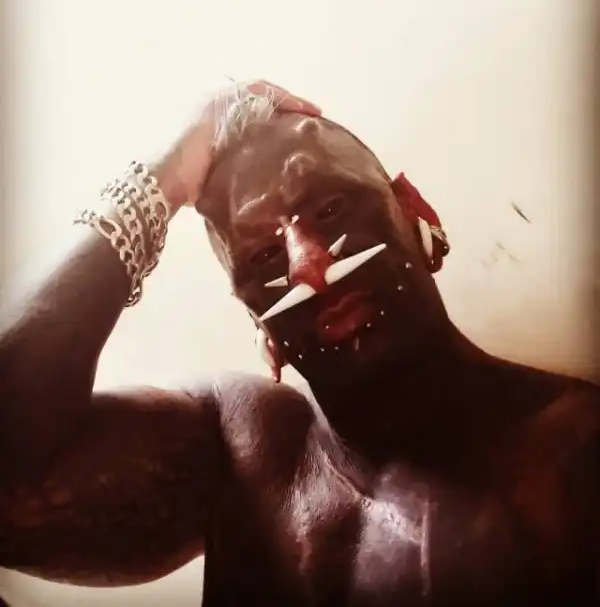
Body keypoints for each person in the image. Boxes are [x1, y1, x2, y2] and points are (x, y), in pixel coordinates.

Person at [0, 80, 598, 607]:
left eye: (331, 207)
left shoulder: (577, 455)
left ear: (415, 211)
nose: (309, 267)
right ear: (261, 324)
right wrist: (166, 176)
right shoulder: (238, 448)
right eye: (263, 257)